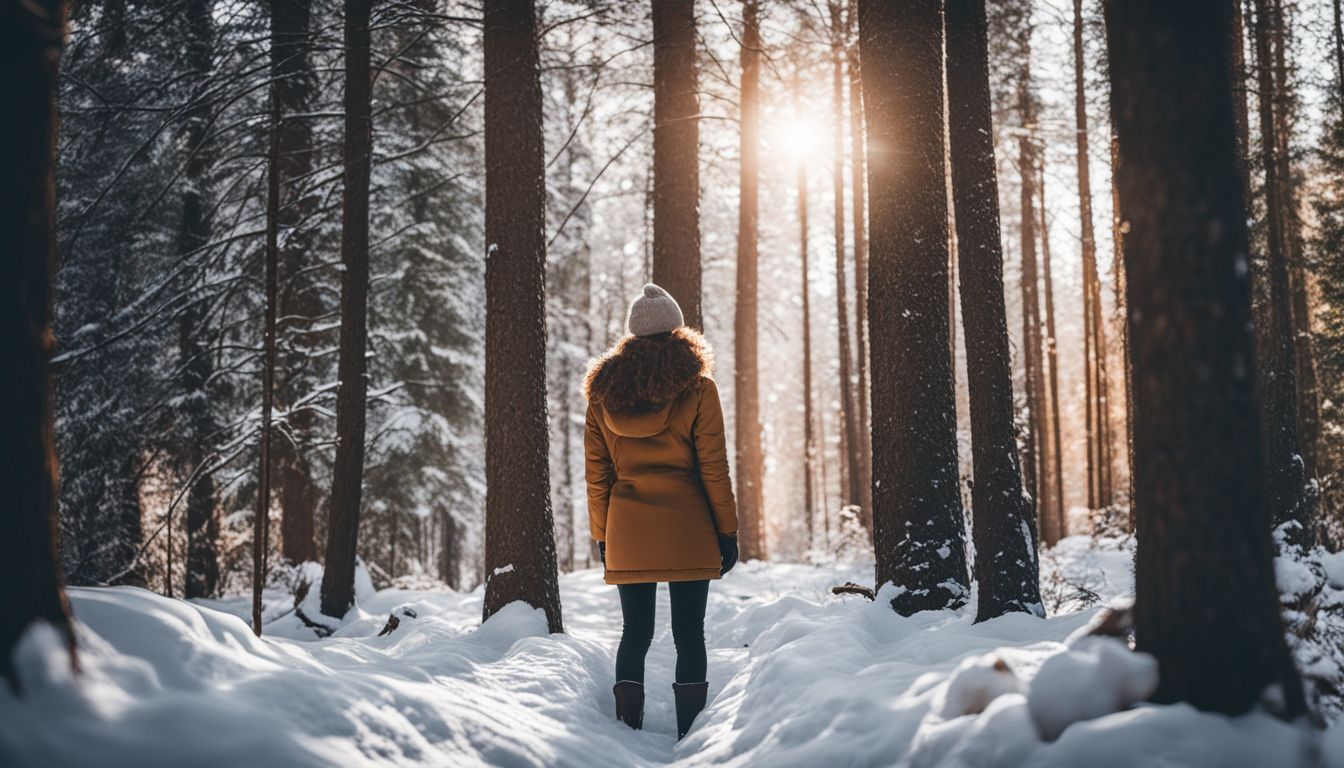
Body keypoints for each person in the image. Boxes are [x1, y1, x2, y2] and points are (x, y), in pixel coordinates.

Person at [583, 283, 739, 740]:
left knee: (635, 632)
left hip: (627, 528)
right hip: (689, 528)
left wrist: (603, 537)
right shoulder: (699, 388)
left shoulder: (602, 396)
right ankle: (691, 735)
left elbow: (598, 477)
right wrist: (727, 532)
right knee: (690, 635)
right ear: (677, 331)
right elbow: (714, 469)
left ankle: (625, 732)